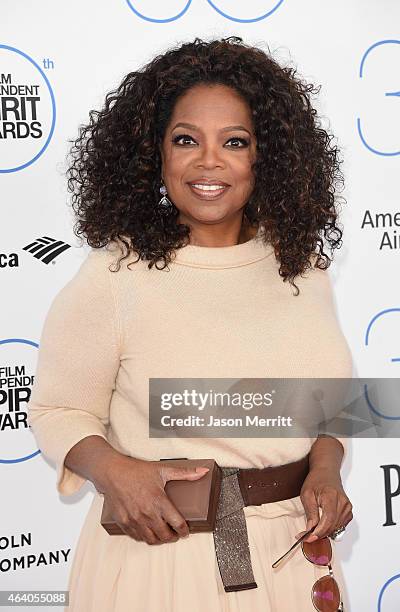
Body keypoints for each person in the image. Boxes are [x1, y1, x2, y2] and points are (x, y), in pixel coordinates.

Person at [27, 36, 354, 611]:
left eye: (235, 141)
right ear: (156, 156)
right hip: (162, 556)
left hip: (294, 559)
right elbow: (58, 410)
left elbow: (330, 408)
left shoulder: (302, 271)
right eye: (185, 140)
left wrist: (325, 472)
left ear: (264, 157)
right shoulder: (115, 274)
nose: (209, 162)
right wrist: (116, 471)